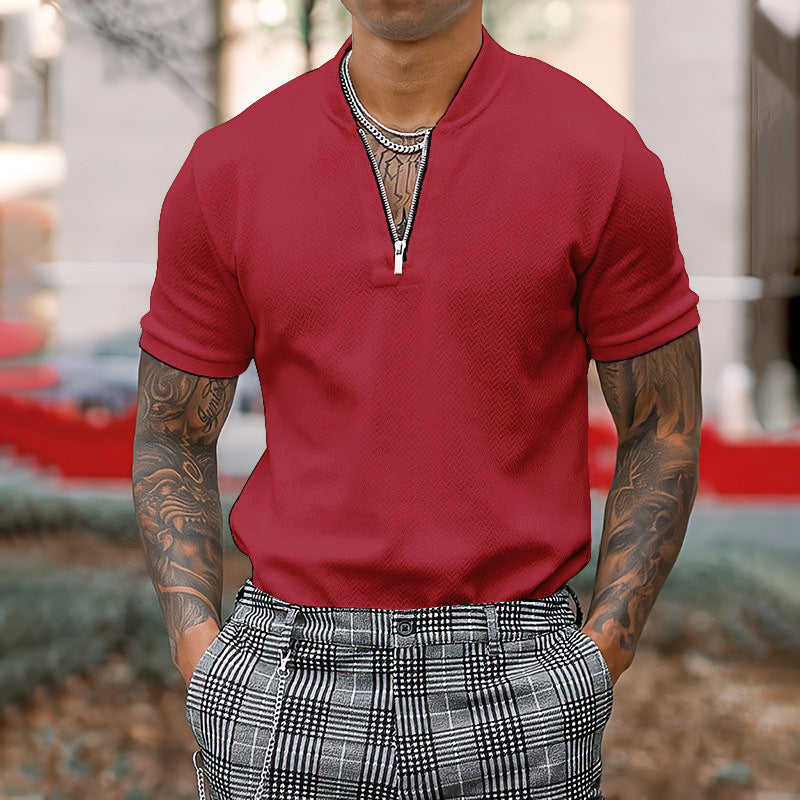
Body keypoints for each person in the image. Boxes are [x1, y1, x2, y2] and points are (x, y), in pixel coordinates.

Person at [132, 1, 702, 798]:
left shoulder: (601, 158)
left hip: (518, 672)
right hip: (285, 674)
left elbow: (663, 426)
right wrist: (200, 650)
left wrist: (603, 650)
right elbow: (171, 433)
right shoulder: (227, 169)